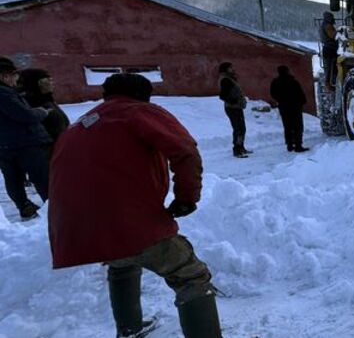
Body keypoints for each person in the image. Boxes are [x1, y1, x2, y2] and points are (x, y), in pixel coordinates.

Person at [48, 73, 222, 338]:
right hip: (127, 219)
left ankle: (129, 330)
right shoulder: (138, 112)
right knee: (190, 275)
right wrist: (187, 198)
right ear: (144, 95)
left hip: (76, 229)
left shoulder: (79, 125)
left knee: (122, 261)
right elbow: (185, 150)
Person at [0, 56, 51, 221]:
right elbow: (25, 115)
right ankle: (51, 205)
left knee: (13, 178)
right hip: (24, 142)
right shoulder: (4, 94)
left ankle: (24, 206)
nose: (16, 79)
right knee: (40, 176)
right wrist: (42, 112)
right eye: (14, 75)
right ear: (4, 76)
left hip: (4, 145)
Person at [18, 68, 70, 144]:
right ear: (36, 83)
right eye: (47, 80)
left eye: (51, 80)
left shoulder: (47, 99)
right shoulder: (31, 104)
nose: (51, 83)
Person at [270, 66, 309, 153]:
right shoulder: (293, 81)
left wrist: (280, 100)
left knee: (287, 126)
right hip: (295, 107)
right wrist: (301, 103)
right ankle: (298, 145)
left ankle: (290, 145)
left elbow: (272, 94)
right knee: (297, 126)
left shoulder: (275, 82)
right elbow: (300, 94)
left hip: (283, 107)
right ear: (287, 71)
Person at [217, 62, 251, 158]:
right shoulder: (226, 80)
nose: (232, 69)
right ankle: (237, 150)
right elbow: (223, 95)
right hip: (232, 108)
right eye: (230, 68)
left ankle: (241, 147)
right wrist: (234, 101)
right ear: (226, 69)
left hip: (236, 107)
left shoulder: (230, 78)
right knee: (238, 129)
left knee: (242, 128)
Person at [321, 11, 338, 92]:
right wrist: (339, 32)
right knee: (331, 69)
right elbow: (333, 35)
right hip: (330, 49)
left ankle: (329, 85)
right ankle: (330, 86)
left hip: (327, 49)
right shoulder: (328, 26)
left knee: (328, 69)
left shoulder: (323, 24)